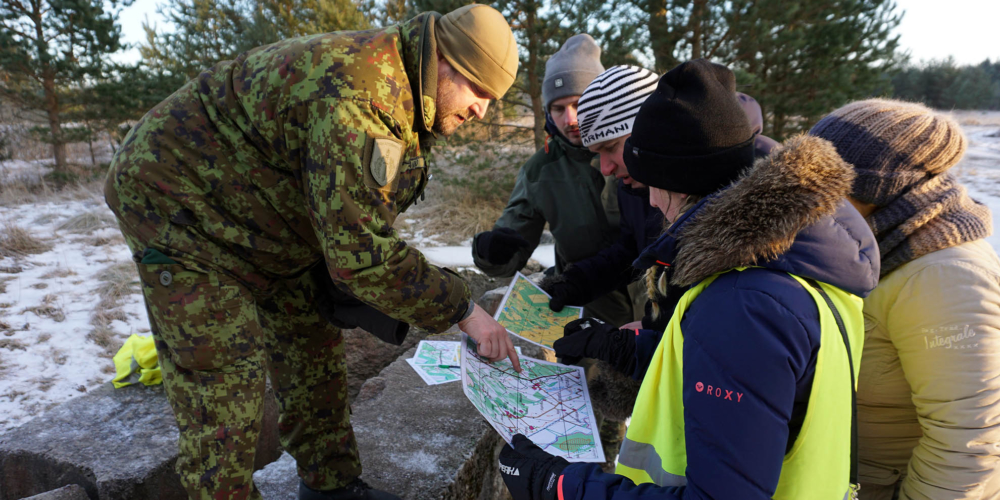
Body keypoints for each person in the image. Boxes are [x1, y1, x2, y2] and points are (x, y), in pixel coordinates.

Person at [105, 5, 522, 500]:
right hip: (182, 212)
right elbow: (362, 255)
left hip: (270, 221)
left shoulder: (409, 90)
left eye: (493, 99)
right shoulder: (362, 93)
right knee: (225, 392)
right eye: (479, 91)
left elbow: (355, 220)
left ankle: (331, 489)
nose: (482, 111)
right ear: (444, 61)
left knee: (313, 355)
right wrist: (464, 309)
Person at [497, 59, 879, 500]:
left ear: (679, 175)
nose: (653, 203)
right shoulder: (791, 263)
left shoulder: (745, 303)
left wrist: (560, 485)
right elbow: (741, 377)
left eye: (654, 181)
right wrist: (626, 348)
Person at [810, 99, 1000, 500]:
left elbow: (968, 442)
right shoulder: (868, 247)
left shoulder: (944, 277)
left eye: (825, 188)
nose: (810, 203)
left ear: (877, 190)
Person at [544, 87, 778, 342]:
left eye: (610, 147)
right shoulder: (632, 185)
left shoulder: (748, 184)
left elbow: (734, 310)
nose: (605, 168)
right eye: (596, 154)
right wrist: (578, 281)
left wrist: (654, 334)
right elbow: (635, 248)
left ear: (647, 132)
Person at [471, 36, 637, 325]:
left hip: (655, 305)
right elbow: (513, 247)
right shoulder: (540, 171)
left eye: (578, 103)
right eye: (558, 109)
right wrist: (491, 252)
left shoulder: (641, 145)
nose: (570, 119)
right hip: (587, 312)